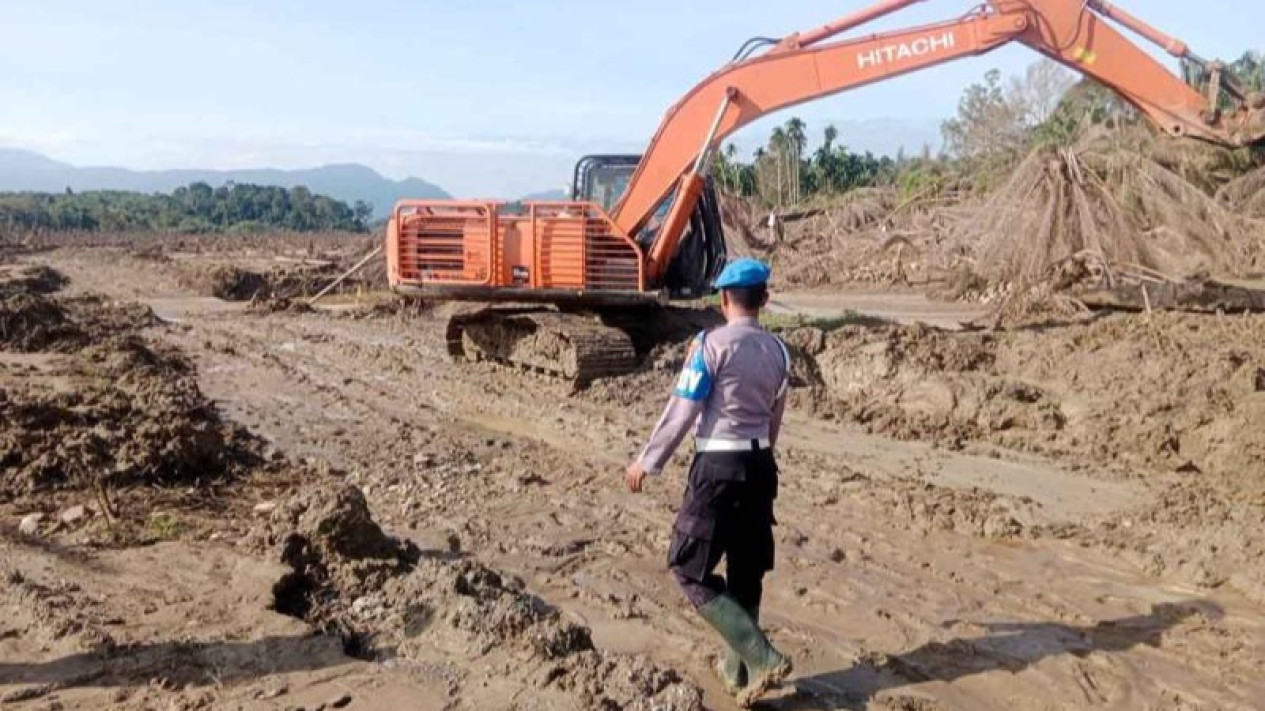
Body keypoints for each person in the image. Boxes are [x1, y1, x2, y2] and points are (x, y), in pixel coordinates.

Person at [624, 257, 793, 707]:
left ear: (722, 299)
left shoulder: (708, 345)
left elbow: (683, 410)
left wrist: (648, 461)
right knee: (746, 570)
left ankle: (759, 655)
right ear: (765, 300)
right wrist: (759, 457)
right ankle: (739, 678)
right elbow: (774, 422)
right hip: (760, 467)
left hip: (717, 468)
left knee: (687, 566)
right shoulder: (779, 352)